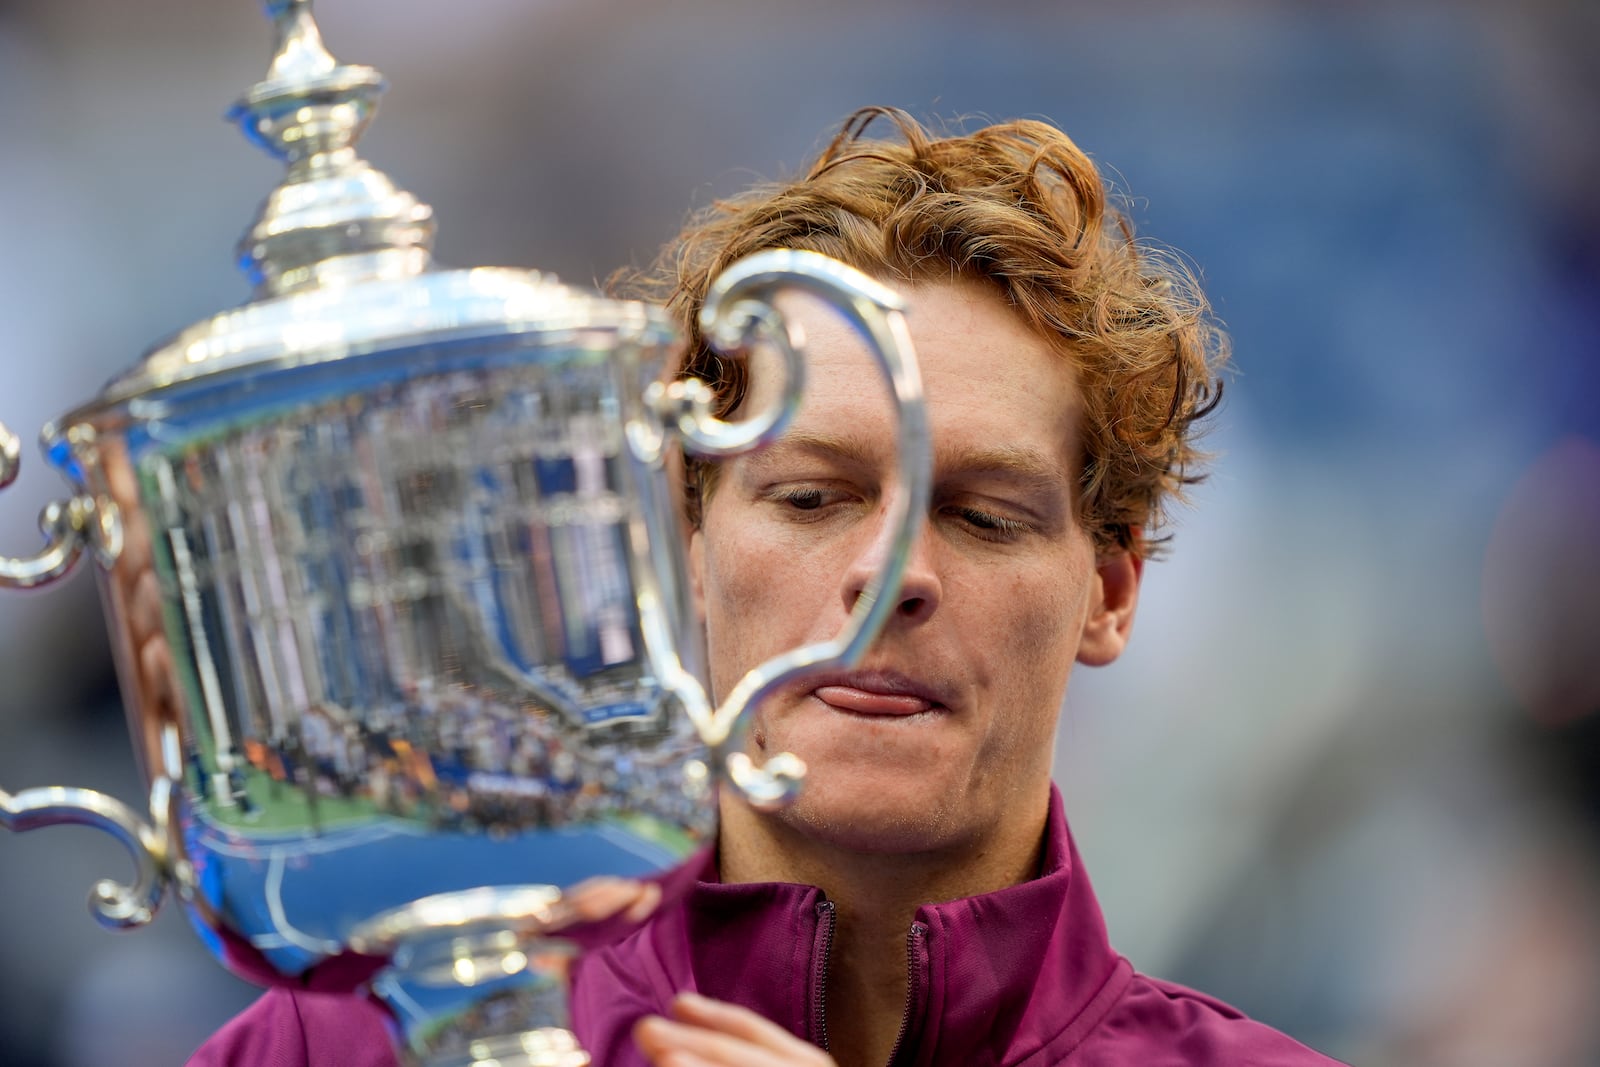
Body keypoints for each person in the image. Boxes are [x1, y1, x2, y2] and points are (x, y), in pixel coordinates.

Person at [191, 107, 1345, 1066]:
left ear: (1110, 592)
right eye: (811, 496)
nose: (887, 575)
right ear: (683, 544)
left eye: (983, 515)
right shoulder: (353, 1043)